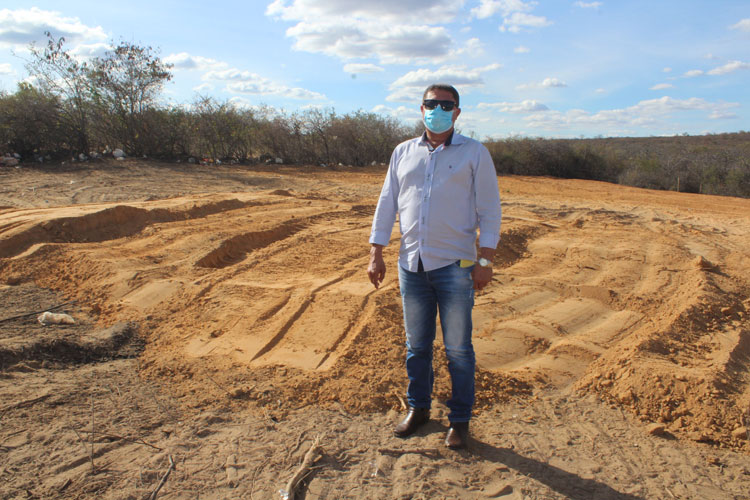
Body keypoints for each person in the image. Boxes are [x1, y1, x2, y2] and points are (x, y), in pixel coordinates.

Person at [367, 83, 502, 449]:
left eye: (446, 104)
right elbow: (387, 203)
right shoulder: (403, 152)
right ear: (421, 108)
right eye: (431, 104)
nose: (438, 109)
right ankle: (419, 408)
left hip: (456, 265)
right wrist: (376, 252)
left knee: (458, 348)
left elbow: (489, 210)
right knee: (417, 345)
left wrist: (485, 260)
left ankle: (459, 420)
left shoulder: (475, 153)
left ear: (457, 112)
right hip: (411, 265)